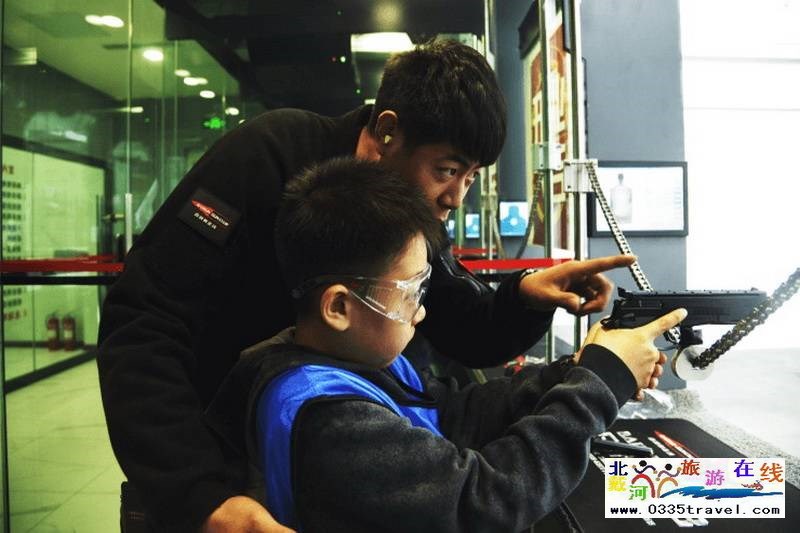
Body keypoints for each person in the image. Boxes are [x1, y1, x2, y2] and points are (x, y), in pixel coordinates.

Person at [97, 39, 638, 531]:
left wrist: (525, 297)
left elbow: (459, 325)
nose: (457, 197)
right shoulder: (268, 156)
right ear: (387, 131)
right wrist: (200, 496)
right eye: (447, 170)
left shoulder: (408, 214)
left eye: (471, 177)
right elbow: (145, 322)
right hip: (220, 475)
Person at [204, 157, 684, 532]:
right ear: (339, 307)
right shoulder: (329, 420)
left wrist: (573, 372)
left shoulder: (358, 362)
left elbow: (452, 414)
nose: (420, 310)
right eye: (409, 291)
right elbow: (486, 500)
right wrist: (598, 384)